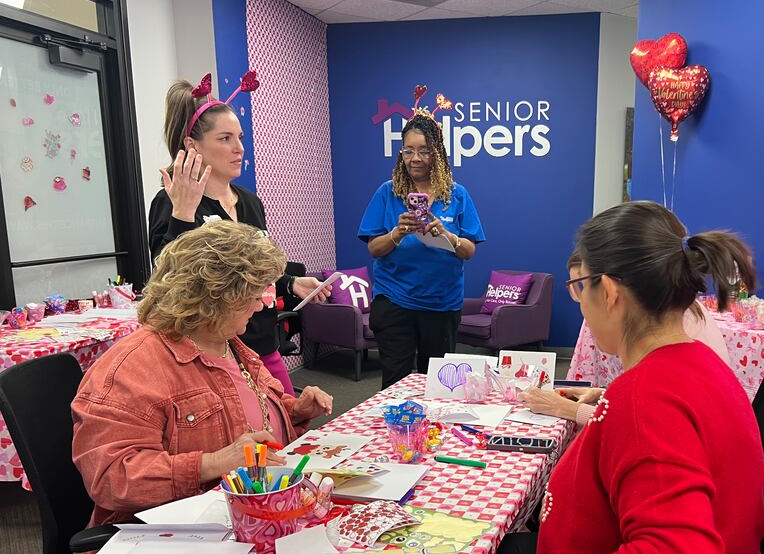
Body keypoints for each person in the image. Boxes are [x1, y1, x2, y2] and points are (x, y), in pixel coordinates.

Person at [418, 201, 764, 554]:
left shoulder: (645, 400)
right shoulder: (699, 366)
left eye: (578, 287)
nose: (578, 302)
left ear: (607, 291)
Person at [72, 221, 334, 528]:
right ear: (213, 298)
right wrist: (213, 463)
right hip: (171, 537)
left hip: (246, 514)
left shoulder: (232, 346)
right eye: (251, 295)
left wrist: (295, 411)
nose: (260, 304)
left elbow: (252, 420)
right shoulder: (130, 369)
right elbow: (111, 478)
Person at [147, 76, 328, 395]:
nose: (239, 148)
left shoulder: (249, 202)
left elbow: (251, 268)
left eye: (240, 137)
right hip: (210, 354)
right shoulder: (172, 200)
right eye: (225, 138)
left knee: (289, 429)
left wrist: (289, 282)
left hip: (262, 345)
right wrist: (183, 216)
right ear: (193, 146)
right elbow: (170, 284)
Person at [357, 92, 486, 389]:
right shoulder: (387, 192)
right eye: (408, 151)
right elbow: (374, 249)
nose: (415, 158)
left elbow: (469, 251)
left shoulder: (457, 194)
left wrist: (447, 235)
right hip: (395, 302)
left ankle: (430, 436)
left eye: (424, 151)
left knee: (438, 386)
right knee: (395, 384)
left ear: (437, 153)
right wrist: (396, 233)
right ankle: (397, 434)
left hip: (442, 305)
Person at [522, 252, 733, 425]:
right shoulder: (680, 339)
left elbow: (642, 425)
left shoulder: (661, 369)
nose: (581, 305)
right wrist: (604, 394)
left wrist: (565, 408)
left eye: (582, 288)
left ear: (609, 292)